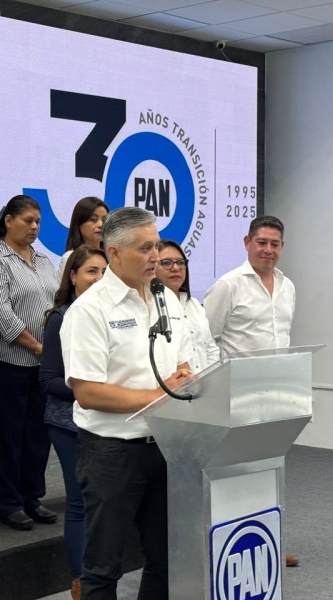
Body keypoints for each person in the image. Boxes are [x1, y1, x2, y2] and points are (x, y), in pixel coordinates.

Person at [60, 207, 194, 599]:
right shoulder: (90, 310)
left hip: (168, 446)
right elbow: (88, 391)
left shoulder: (166, 299)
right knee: (104, 567)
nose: (156, 257)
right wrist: (159, 396)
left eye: (157, 246)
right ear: (114, 253)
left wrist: (186, 377)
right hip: (112, 452)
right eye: (145, 248)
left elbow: (182, 364)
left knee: (167, 560)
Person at [203, 214, 298, 567]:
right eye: (262, 242)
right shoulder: (228, 285)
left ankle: (268, 543)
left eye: (274, 244)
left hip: (276, 395)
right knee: (234, 475)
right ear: (247, 243)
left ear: (282, 247)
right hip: (236, 397)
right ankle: (227, 548)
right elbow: (205, 341)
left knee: (269, 471)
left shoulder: (288, 286)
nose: (268, 250)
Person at [0, 195, 60, 531]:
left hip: (42, 364)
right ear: (8, 220)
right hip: (7, 362)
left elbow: (56, 301)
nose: (34, 227)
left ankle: (32, 497)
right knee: (7, 435)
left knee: (37, 435)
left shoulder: (43, 260)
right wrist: (39, 347)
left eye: (38, 221)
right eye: (27, 220)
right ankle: (9, 503)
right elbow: (0, 313)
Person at [39, 245, 108, 600]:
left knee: (105, 502)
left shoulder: (113, 315)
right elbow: (48, 380)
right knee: (80, 502)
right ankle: (80, 582)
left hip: (107, 421)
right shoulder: (61, 318)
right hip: (69, 423)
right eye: (91, 271)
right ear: (73, 277)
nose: (98, 278)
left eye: (104, 272)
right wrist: (91, 390)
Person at [156, 240, 219, 373]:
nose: (176, 268)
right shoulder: (151, 308)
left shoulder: (194, 304)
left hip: (204, 383)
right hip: (171, 384)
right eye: (166, 263)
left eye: (180, 262)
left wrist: (206, 379)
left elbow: (210, 348)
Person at [58, 196, 109, 276]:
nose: (101, 224)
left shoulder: (112, 257)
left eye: (104, 220)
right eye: (93, 219)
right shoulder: (70, 258)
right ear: (79, 223)